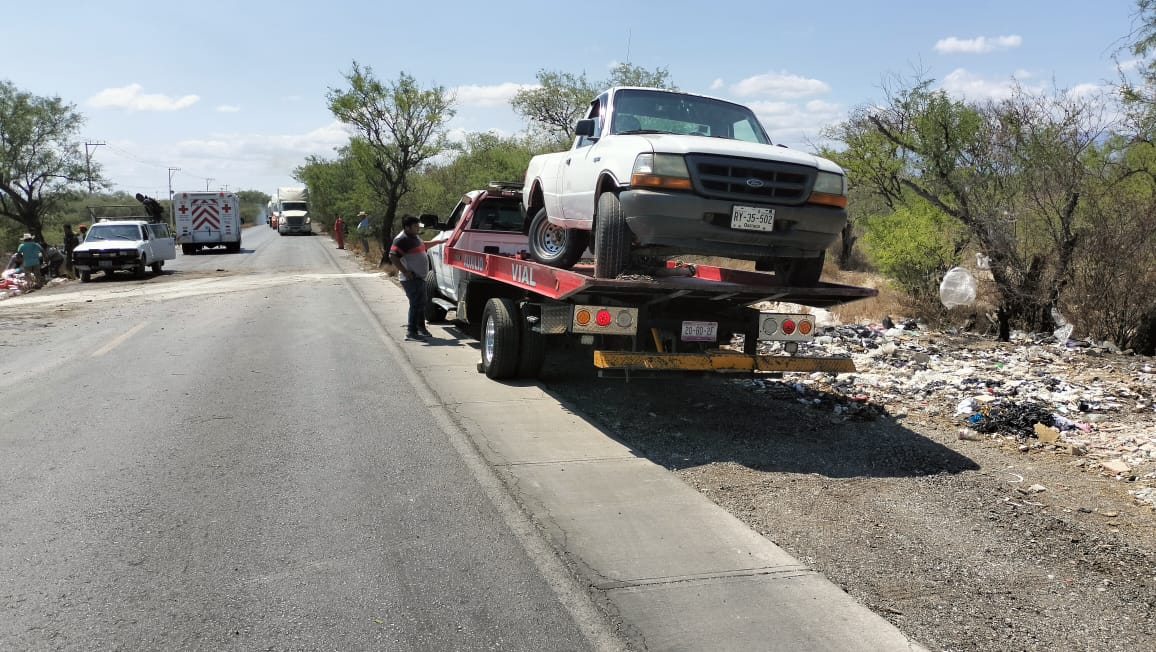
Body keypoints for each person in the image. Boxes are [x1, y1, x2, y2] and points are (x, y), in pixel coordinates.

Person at [389, 215, 447, 341]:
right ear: (407, 227)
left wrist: (439, 242)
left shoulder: (414, 237)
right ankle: (411, 332)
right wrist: (406, 272)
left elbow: (423, 245)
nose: (417, 228)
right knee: (416, 304)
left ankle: (420, 328)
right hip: (411, 279)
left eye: (417, 225)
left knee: (421, 303)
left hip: (419, 278)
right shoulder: (401, 239)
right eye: (415, 226)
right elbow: (393, 256)